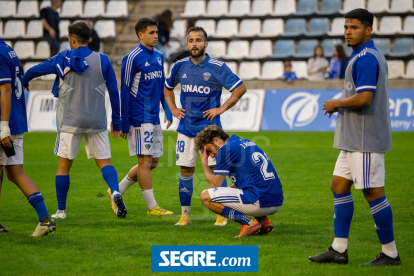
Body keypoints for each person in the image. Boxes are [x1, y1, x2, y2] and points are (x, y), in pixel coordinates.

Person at [309, 9, 400, 266]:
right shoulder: (359, 56)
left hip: (366, 140)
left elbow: (364, 98)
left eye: (354, 27)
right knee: (338, 186)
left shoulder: (367, 58)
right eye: (346, 27)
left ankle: (390, 253)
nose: (348, 31)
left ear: (369, 30)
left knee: (373, 193)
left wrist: (337, 103)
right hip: (352, 141)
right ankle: (338, 250)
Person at [22, 22, 127, 220]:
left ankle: (61, 211)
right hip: (96, 120)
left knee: (64, 165)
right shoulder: (103, 60)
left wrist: (25, 80)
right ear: (89, 39)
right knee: (104, 162)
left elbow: (35, 70)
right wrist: (117, 121)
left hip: (69, 121)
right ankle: (115, 192)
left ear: (71, 39)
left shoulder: (62, 58)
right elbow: (114, 91)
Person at [164, 26, 247, 226]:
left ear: (205, 43)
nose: (194, 44)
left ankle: (222, 214)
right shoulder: (179, 66)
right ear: (187, 44)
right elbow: (167, 89)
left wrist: (222, 108)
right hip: (186, 128)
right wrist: (173, 109)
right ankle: (185, 215)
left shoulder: (217, 67)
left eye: (198, 40)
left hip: (211, 132)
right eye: (191, 40)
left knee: (218, 171)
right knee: (186, 171)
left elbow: (240, 88)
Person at [111, 18, 173, 216]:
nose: (156, 36)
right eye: (152, 33)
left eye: (156, 32)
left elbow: (162, 85)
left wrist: (168, 109)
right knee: (145, 162)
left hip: (153, 116)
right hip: (139, 116)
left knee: (152, 162)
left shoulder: (159, 56)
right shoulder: (132, 58)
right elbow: (125, 89)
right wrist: (123, 120)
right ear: (140, 35)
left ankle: (116, 191)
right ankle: (152, 207)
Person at [0, 37, 56, 236]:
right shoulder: (8, 49)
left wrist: (3, 125)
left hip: (4, 121)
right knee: (15, 173)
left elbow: (5, 89)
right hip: (16, 120)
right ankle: (44, 219)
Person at [195, 126, 283, 237]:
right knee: (236, 187)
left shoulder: (225, 149)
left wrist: (204, 161)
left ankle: (248, 223)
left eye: (209, 151)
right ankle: (263, 221)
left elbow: (214, 185)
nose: (211, 156)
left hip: (260, 201)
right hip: (276, 201)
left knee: (205, 197)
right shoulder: (245, 142)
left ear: (217, 140)